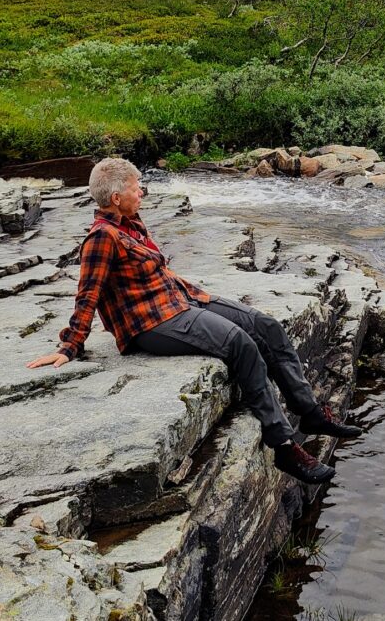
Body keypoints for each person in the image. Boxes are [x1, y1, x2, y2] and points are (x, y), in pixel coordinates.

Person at [28, 157, 361, 484]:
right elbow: (88, 293)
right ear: (117, 198)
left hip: (180, 299)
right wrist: (71, 345)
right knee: (241, 344)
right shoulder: (102, 238)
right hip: (150, 324)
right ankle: (284, 447)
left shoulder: (131, 223)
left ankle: (312, 414)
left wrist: (195, 297)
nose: (141, 191)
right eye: (135, 188)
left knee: (266, 327)